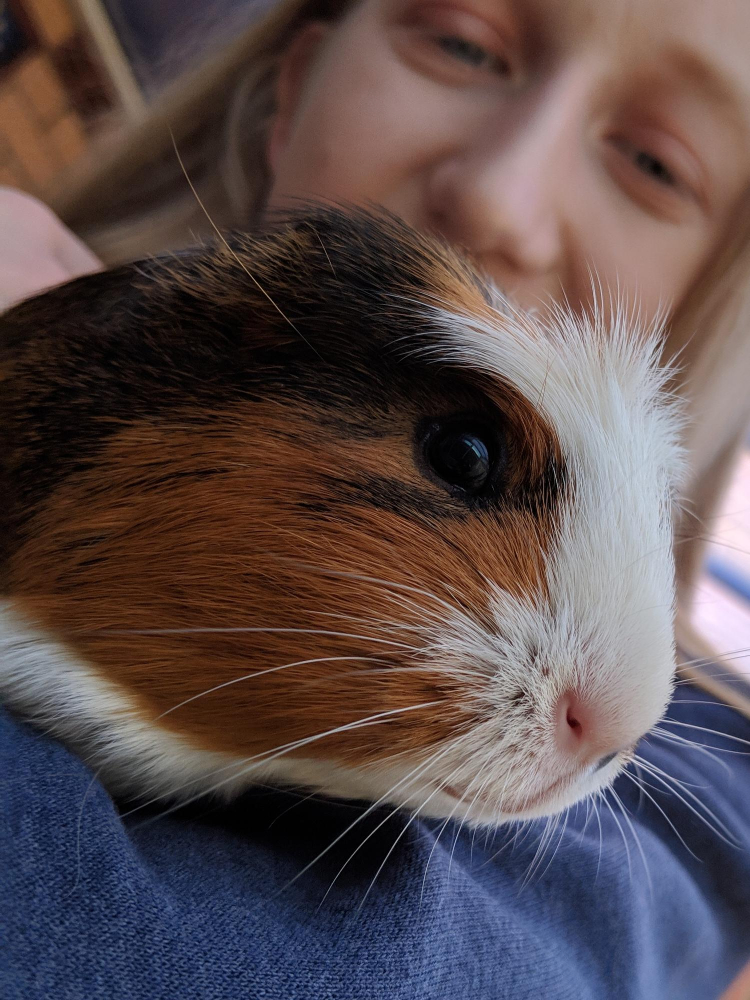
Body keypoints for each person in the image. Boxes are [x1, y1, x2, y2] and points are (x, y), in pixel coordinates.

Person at [2, 0, 750, 995]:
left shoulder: (695, 802)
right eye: (461, 42)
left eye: (656, 163)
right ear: (291, 86)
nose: (499, 198)